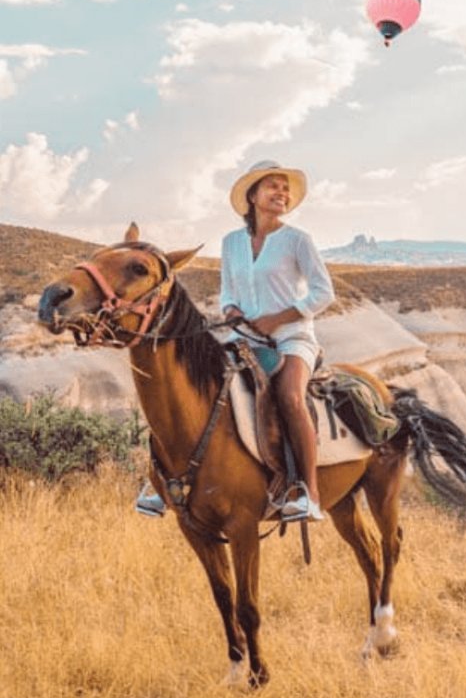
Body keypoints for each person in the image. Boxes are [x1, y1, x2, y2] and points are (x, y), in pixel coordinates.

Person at [136, 159, 335, 523]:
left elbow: (324, 293)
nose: (282, 193)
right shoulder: (232, 243)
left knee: (290, 395)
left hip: (293, 338)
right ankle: (159, 483)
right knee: (185, 387)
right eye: (272, 186)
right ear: (252, 196)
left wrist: (278, 318)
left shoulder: (297, 240)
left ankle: (309, 493)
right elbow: (228, 290)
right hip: (242, 336)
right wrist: (230, 311)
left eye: (285, 187)